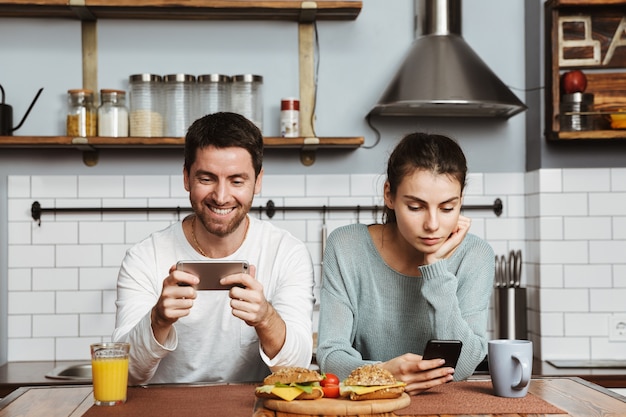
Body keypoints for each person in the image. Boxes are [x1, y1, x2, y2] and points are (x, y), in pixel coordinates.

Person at [112, 112, 315, 385]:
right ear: (186, 178)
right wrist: (158, 320)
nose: (221, 197)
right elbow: (125, 374)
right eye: (206, 179)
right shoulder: (144, 257)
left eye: (237, 180)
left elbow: (297, 369)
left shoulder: (287, 253)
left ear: (258, 180)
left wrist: (266, 318)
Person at [316, 132, 495, 395]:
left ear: (460, 201)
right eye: (415, 207)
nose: (432, 225)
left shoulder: (476, 255)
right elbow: (330, 357)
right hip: (370, 406)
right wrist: (385, 374)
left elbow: (465, 365)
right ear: (389, 195)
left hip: (445, 410)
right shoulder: (346, 246)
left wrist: (435, 268)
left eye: (447, 208)